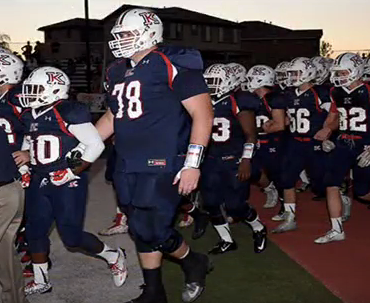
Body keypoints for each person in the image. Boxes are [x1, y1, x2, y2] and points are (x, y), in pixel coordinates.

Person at [96, 8, 214, 303]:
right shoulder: (117, 70)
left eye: (126, 34)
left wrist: (192, 163)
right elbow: (113, 116)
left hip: (162, 159)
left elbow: (202, 114)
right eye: (118, 35)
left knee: (151, 227)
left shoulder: (172, 62)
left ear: (150, 33)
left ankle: (191, 261)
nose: (119, 40)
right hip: (125, 161)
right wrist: (82, 147)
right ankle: (153, 291)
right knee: (139, 228)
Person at [18, 66, 127, 295]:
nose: (30, 94)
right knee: (34, 231)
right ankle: (41, 280)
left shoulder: (68, 110)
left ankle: (113, 255)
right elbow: (29, 143)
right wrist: (27, 163)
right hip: (39, 177)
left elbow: (95, 144)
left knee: (72, 237)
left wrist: (71, 172)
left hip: (67, 180)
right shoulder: (29, 114)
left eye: (35, 89)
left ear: (55, 89)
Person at [201, 63, 267, 255]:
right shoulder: (203, 101)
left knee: (235, 207)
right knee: (211, 203)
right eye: (208, 82)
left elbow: (251, 135)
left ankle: (259, 228)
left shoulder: (239, 101)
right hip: (211, 159)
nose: (210, 86)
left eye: (214, 82)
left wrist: (246, 160)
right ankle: (226, 240)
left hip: (233, 160)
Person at [272, 57, 333, 233]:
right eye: (291, 73)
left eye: (295, 73)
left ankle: (342, 198)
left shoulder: (320, 92)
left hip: (315, 143)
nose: (292, 77)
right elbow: (289, 118)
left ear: (308, 72)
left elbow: (335, 115)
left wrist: (328, 130)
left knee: (321, 182)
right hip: (295, 142)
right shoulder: (289, 94)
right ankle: (290, 218)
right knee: (287, 178)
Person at [315, 52, 370, 243]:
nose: (338, 77)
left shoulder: (368, 90)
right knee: (331, 183)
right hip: (344, 142)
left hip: (365, 144)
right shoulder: (335, 92)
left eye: (343, 72)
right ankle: (337, 229)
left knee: (363, 193)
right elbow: (334, 117)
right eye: (337, 73)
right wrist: (327, 131)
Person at [0, 51, 29, 303]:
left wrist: (30, 151)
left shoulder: (16, 101)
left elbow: (48, 125)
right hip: (8, 185)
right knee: (4, 251)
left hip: (5, 188)